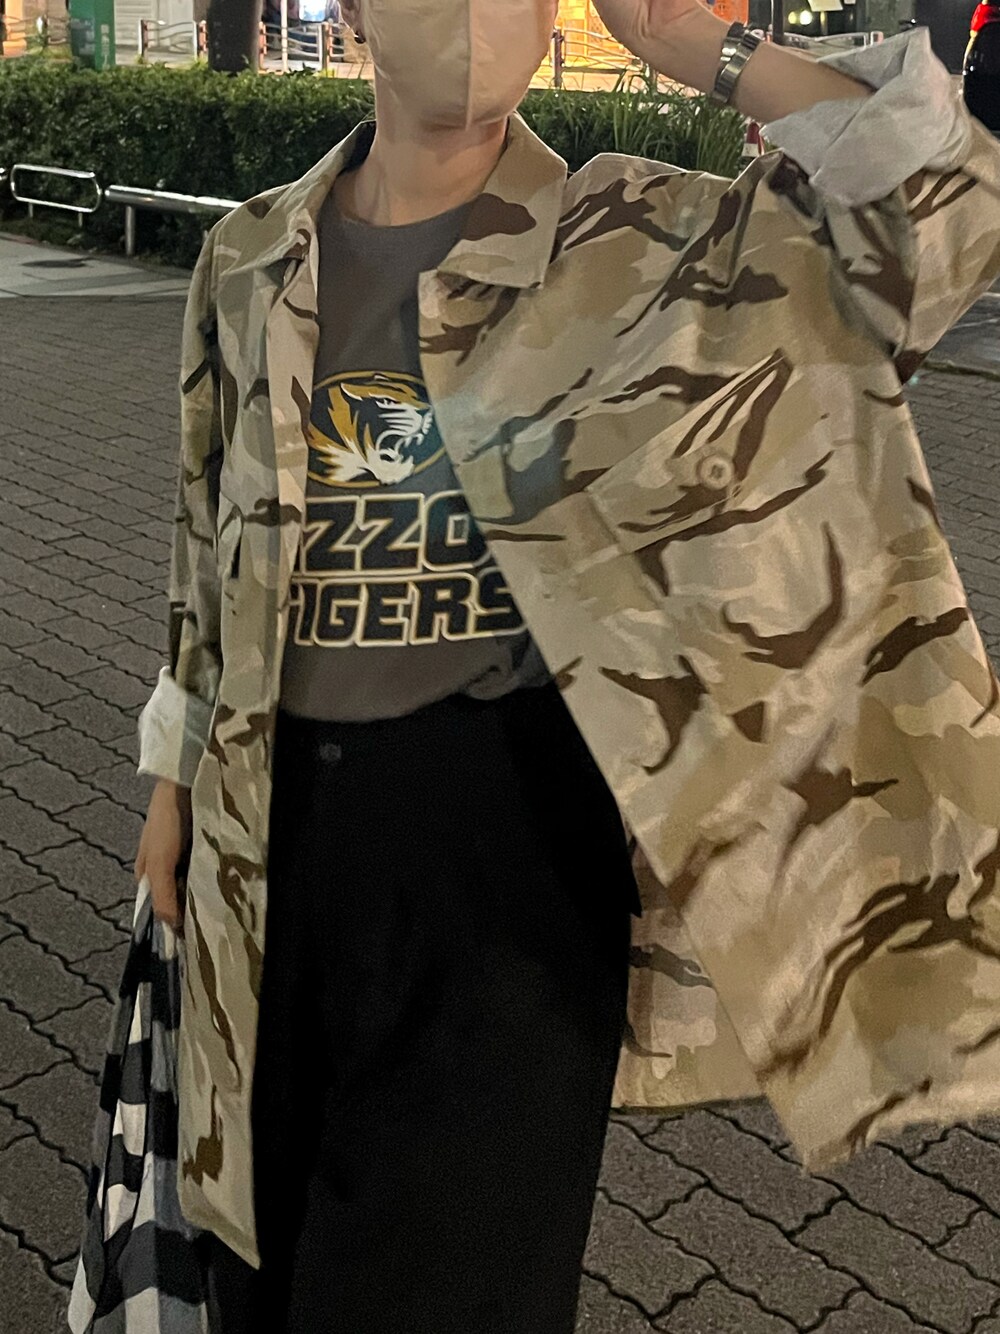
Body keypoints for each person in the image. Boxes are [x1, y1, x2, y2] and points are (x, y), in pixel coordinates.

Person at [120, 0, 1000, 1330]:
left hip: (512, 854)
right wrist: (174, 778)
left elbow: (944, 221)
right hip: (266, 833)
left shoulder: (644, 240)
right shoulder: (251, 254)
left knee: (445, 1289)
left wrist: (698, 44)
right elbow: (209, 534)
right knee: (254, 1259)